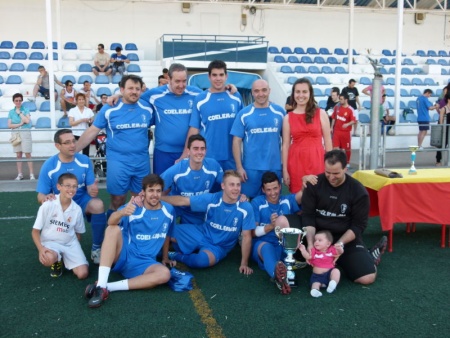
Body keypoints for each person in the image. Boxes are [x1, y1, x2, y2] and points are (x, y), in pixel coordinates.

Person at [278, 149, 388, 285]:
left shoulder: (358, 191)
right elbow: (308, 216)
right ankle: (302, 257)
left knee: (366, 278)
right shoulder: (314, 184)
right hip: (317, 235)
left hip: (342, 239)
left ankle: (367, 256)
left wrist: (339, 245)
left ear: (345, 168)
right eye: (327, 172)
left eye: (336, 173)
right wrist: (311, 244)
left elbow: (358, 226)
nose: (331, 177)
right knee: (281, 221)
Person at [84, 174, 175, 308]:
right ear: (143, 193)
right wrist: (122, 212)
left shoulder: (169, 210)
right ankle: (102, 283)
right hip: (124, 255)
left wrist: (165, 257)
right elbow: (111, 221)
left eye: (158, 191)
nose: (154, 194)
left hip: (145, 263)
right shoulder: (133, 207)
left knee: (165, 274)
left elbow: (167, 235)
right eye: (151, 190)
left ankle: (105, 287)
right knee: (112, 229)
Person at [74, 75, 153, 220]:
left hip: (141, 162)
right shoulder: (109, 109)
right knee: (118, 200)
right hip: (118, 162)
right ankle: (111, 229)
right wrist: (73, 151)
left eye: (137, 88)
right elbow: (92, 131)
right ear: (122, 89)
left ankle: (134, 232)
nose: (134, 92)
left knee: (140, 199)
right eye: (130, 88)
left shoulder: (147, 107)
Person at [161, 170, 254, 274]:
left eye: (238, 185)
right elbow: (183, 200)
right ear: (223, 186)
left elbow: (246, 237)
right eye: (232, 185)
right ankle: (151, 253)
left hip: (218, 247)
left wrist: (244, 263)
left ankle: (176, 255)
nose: (236, 189)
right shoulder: (212, 199)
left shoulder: (245, 207)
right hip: (201, 233)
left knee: (201, 261)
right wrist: (157, 197)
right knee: (164, 231)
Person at [37, 129, 106, 264]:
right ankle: (54, 246)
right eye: (67, 143)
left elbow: (90, 187)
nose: (72, 145)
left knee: (98, 205)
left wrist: (93, 190)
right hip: (61, 205)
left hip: (81, 200)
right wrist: (45, 199)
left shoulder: (85, 160)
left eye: (73, 141)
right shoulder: (49, 165)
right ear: (58, 146)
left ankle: (96, 249)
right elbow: (40, 194)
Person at [139, 63, 202, 174]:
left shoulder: (196, 93)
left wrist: (228, 88)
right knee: (163, 187)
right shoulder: (155, 95)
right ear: (168, 79)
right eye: (177, 81)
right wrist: (117, 96)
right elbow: (133, 97)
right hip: (163, 153)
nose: (181, 85)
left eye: (184, 81)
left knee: (185, 189)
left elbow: (212, 95)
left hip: (189, 151)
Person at [250, 171, 304, 295]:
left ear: (280, 186)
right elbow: (252, 233)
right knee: (267, 248)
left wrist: (305, 184)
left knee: (285, 255)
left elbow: (301, 196)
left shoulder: (287, 199)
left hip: (283, 245)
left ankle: (282, 270)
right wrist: (271, 226)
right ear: (263, 190)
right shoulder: (257, 202)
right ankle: (278, 276)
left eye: (275, 188)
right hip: (262, 243)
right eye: (268, 189)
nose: (273, 193)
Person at [184, 60, 243, 170]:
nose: (218, 78)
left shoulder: (235, 96)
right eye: (214, 75)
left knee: (232, 187)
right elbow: (194, 129)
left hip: (232, 158)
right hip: (209, 157)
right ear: (209, 77)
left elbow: (244, 125)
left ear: (226, 76)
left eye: (221, 75)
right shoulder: (200, 99)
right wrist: (185, 154)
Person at [231, 79, 285, 198]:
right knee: (247, 202)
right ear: (252, 93)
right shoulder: (244, 114)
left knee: (273, 202)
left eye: (264, 90)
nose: (261, 94)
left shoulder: (280, 112)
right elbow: (236, 141)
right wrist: (239, 167)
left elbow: (286, 142)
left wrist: (284, 166)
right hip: (251, 169)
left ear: (269, 91)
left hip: (274, 167)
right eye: (257, 91)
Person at [32, 173, 89, 279]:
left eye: (74, 186)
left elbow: (78, 234)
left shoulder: (77, 209)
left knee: (83, 274)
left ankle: (64, 258)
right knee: (48, 259)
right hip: (51, 243)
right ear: (59, 186)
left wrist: (74, 251)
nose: (71, 189)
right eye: (67, 185)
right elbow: (35, 231)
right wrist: (41, 249)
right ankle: (56, 260)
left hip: (69, 244)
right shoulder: (48, 204)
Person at [282, 77, 332, 193]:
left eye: (304, 92)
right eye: (297, 92)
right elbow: (285, 145)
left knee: (319, 196)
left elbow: (328, 142)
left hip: (318, 160)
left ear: (310, 94)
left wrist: (329, 167)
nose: (301, 95)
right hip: (296, 162)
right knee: (299, 199)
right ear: (293, 94)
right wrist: (285, 170)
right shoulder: (288, 118)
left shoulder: (321, 113)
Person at [161, 134, 223, 225]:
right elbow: (156, 184)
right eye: (195, 148)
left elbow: (227, 183)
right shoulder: (177, 169)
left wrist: (239, 194)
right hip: (179, 206)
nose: (199, 152)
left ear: (206, 151)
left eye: (202, 149)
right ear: (188, 151)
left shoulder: (213, 165)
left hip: (200, 207)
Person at [298, 230, 342, 298]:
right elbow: (308, 257)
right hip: (317, 276)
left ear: (328, 244)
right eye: (315, 240)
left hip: (329, 274)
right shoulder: (314, 251)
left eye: (319, 240)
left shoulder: (331, 249)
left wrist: (340, 248)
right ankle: (315, 290)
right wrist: (303, 250)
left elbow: (340, 252)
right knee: (315, 283)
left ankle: (333, 283)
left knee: (336, 271)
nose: (316, 242)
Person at [7, 93, 35, 180]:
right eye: (16, 100)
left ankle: (31, 174)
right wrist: (19, 124)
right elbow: (9, 125)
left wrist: (20, 113)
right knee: (18, 154)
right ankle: (20, 174)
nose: (18, 102)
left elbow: (27, 121)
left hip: (25, 132)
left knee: (27, 153)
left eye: (19, 100)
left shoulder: (25, 110)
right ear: (14, 101)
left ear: (21, 101)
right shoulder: (11, 112)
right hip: (15, 133)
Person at [331, 93, 356, 166]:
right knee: (335, 147)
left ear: (346, 100)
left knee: (346, 149)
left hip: (346, 132)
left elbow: (353, 120)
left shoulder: (350, 109)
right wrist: (331, 127)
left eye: (341, 99)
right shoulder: (337, 107)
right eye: (340, 99)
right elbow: (333, 118)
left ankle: (347, 162)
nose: (340, 101)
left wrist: (347, 124)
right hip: (337, 131)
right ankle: (336, 162)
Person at [436, 93, 450, 166]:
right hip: (445, 130)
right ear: (448, 99)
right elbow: (441, 121)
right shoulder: (443, 109)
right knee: (441, 145)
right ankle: (438, 160)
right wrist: (442, 129)